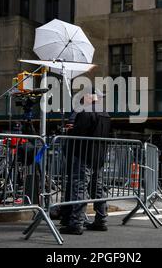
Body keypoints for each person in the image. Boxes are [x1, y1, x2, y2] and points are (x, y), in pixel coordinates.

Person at [59, 92, 111, 235]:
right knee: (98, 189)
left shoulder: (85, 111)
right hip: (98, 157)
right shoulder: (105, 113)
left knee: (80, 188)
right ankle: (101, 221)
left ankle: (76, 223)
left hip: (83, 155)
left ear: (88, 96)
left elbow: (79, 132)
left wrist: (70, 131)